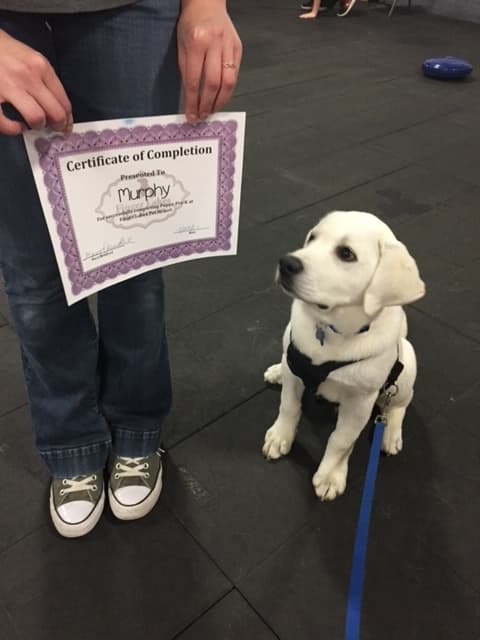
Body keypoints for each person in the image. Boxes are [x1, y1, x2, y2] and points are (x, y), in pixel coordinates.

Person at [0, 0, 242, 538]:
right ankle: (71, 440)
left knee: (134, 248)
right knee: (32, 270)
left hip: (132, 9)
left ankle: (135, 429)